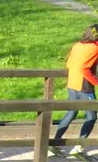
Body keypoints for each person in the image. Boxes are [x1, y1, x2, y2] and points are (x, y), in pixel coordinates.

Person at [49, 24, 98, 160]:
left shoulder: (78, 45)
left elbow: (69, 64)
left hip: (72, 84)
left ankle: (55, 143)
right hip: (84, 87)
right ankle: (78, 148)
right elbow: (85, 68)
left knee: (71, 113)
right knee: (92, 117)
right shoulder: (95, 48)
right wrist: (96, 82)